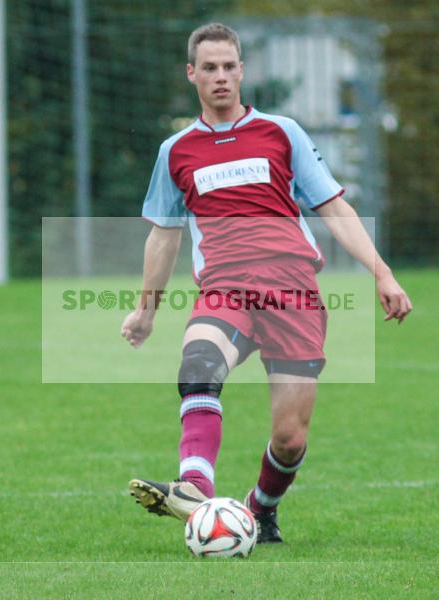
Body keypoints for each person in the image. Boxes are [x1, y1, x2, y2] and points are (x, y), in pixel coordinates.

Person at [121, 22, 412, 544]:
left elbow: (334, 208)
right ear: (192, 74)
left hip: (293, 292)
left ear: (242, 71)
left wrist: (382, 274)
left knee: (290, 439)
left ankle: (261, 508)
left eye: (229, 66)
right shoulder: (176, 151)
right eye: (209, 68)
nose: (221, 77)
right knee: (199, 366)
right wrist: (146, 309)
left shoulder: (282, 132)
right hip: (225, 289)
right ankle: (193, 485)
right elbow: (163, 238)